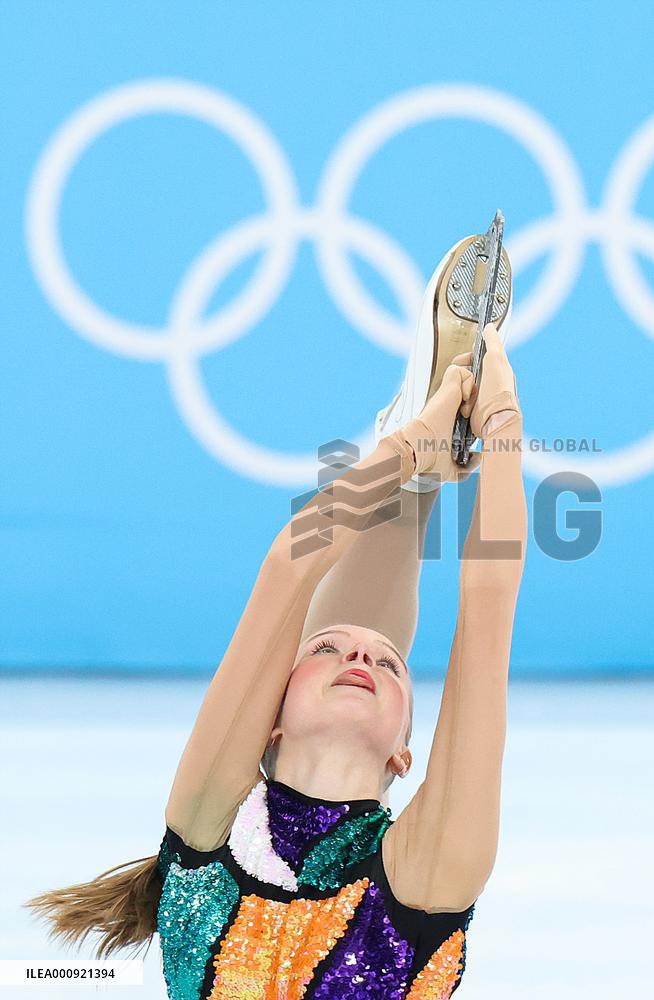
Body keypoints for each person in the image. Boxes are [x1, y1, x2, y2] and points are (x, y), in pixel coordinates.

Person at [25, 234, 528, 999]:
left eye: (350, 655)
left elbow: (292, 568)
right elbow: (488, 607)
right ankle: (420, 464)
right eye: (371, 659)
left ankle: (417, 458)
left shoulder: (206, 833)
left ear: (404, 754)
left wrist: (413, 445)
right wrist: (494, 427)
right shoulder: (428, 873)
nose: (360, 657)